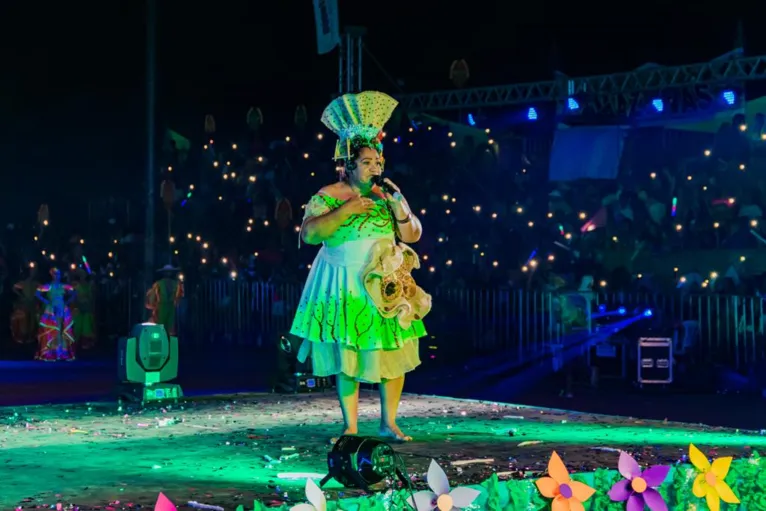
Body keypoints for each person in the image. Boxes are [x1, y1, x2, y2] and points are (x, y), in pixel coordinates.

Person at [290, 91, 432, 442]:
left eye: (378, 162)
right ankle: (351, 426)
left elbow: (412, 234)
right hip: (346, 283)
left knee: (393, 350)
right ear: (349, 164)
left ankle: (389, 421)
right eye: (367, 162)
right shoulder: (330, 194)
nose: (375, 168)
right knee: (349, 354)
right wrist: (345, 211)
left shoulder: (387, 196)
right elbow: (308, 234)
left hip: (385, 284)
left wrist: (400, 206)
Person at [35, 268, 76, 361]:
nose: (57, 276)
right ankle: (52, 352)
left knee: (61, 329)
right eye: (55, 274)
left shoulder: (63, 286)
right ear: (51, 275)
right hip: (52, 309)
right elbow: (37, 293)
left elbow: (74, 292)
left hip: (61, 308)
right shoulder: (49, 286)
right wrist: (46, 301)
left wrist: (67, 302)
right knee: (53, 330)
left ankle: (62, 352)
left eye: (58, 274)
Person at [145, 265, 184, 336]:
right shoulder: (159, 284)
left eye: (169, 272)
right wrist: (153, 305)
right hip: (161, 307)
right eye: (167, 272)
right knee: (160, 326)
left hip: (171, 307)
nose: (168, 273)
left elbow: (179, 296)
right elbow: (152, 296)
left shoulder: (176, 284)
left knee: (170, 327)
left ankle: (169, 342)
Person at [11, 266, 40, 344]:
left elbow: (42, 290)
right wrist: (21, 295)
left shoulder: (36, 283)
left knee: (33, 319)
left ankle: (31, 336)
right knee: (24, 318)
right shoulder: (24, 283)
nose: (33, 272)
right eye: (32, 270)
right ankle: (23, 335)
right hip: (26, 303)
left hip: (33, 304)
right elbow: (14, 287)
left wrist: (37, 296)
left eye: (34, 271)